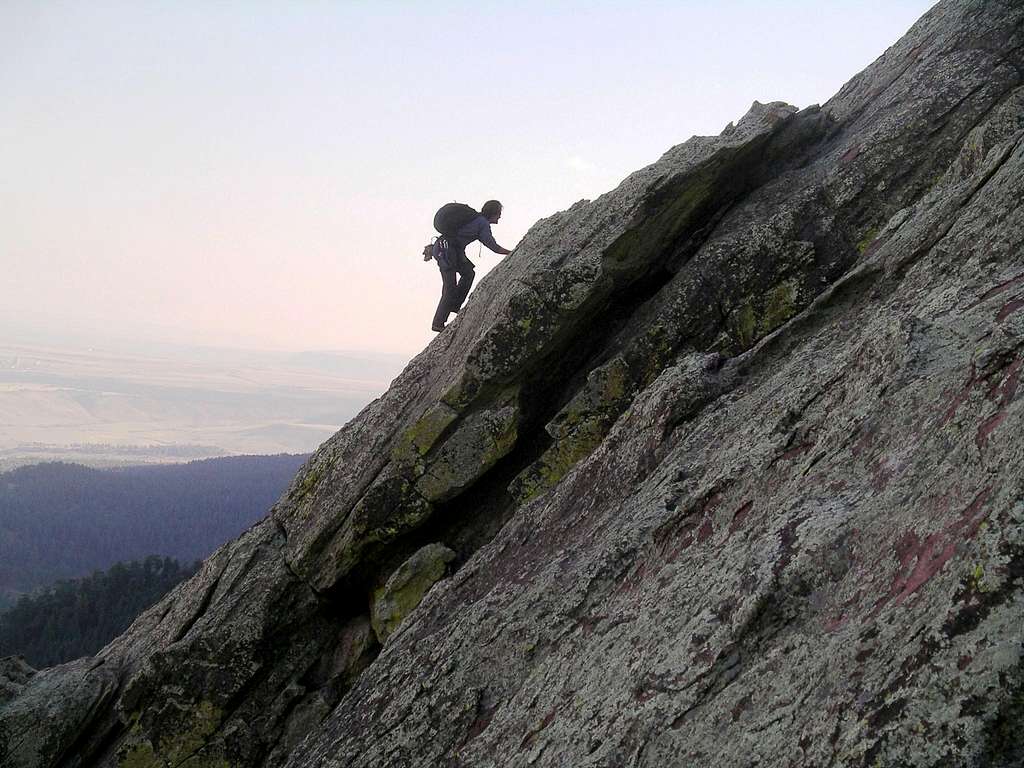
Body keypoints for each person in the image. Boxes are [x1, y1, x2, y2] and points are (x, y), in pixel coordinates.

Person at [431, 200, 513, 332]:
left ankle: (454, 305)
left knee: (468, 273)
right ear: (494, 213)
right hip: (447, 251)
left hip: (450, 250)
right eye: (499, 214)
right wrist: (512, 252)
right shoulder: (482, 224)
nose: (500, 217)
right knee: (450, 286)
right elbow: (493, 246)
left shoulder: (476, 219)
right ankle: (438, 323)